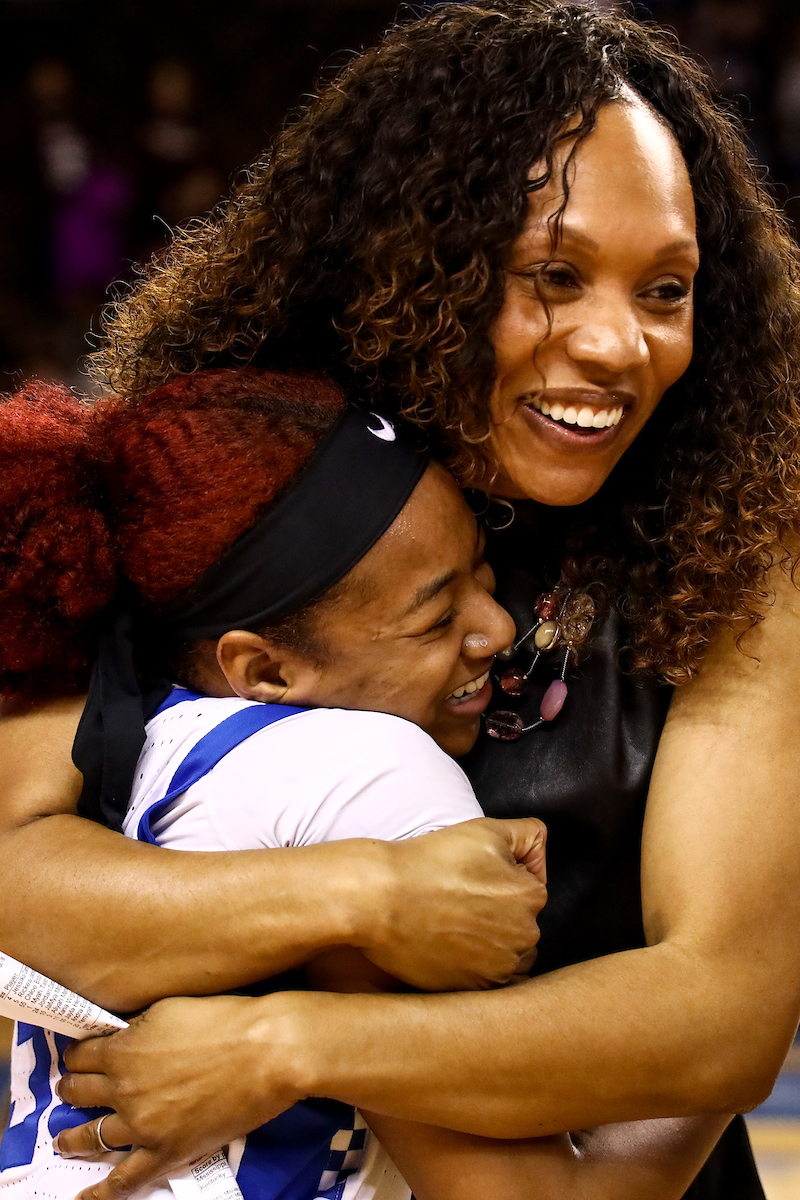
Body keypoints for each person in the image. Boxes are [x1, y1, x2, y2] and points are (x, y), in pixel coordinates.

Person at [3, 3, 800, 1198]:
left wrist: (289, 1045)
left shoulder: (738, 546)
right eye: (553, 276)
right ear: (417, 268)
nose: (617, 344)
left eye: (666, 291)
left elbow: (720, 1016)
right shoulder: (232, 479)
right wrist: (363, 894)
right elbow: (16, 870)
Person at [0, 369, 726, 1200]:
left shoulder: (129, 730)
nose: (497, 627)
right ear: (265, 669)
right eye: (435, 617)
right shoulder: (372, 773)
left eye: (482, 574)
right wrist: (711, 1065)